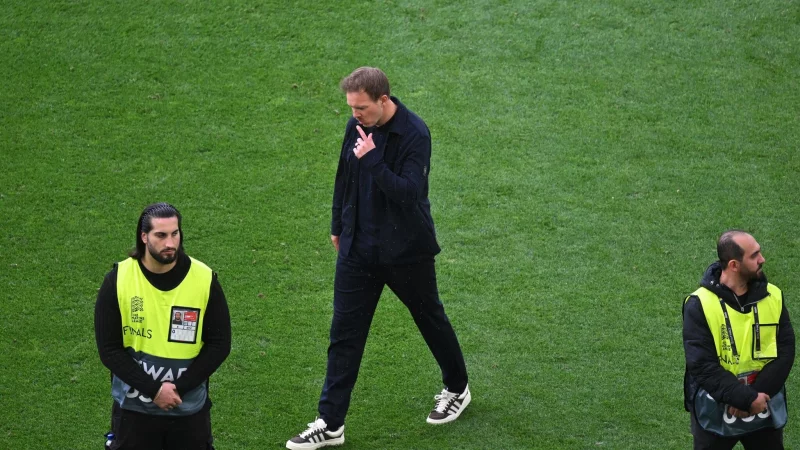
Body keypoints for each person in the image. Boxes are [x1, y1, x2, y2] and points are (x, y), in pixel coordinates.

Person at [286, 67, 471, 449]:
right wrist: (338, 224)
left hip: (406, 252)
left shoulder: (415, 133)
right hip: (358, 251)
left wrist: (373, 160)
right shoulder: (355, 125)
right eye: (352, 108)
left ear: (384, 100)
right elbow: (344, 175)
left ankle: (457, 388)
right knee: (344, 336)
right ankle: (330, 422)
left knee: (430, 318)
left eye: (363, 108)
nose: (356, 115)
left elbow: (409, 194)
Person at [95, 202, 231, 449]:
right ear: (144, 236)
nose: (170, 243)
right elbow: (109, 349)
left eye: (175, 234)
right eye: (161, 235)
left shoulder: (204, 278)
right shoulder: (118, 279)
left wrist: (177, 388)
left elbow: (220, 344)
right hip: (134, 413)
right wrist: (155, 390)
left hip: (187, 410)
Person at [683, 230, 795, 449]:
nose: (762, 259)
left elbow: (786, 350)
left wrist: (755, 399)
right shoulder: (698, 304)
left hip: (764, 399)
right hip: (716, 403)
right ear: (734, 265)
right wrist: (744, 398)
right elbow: (702, 365)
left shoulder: (774, 296)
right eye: (754, 256)